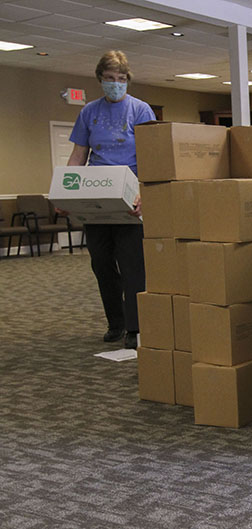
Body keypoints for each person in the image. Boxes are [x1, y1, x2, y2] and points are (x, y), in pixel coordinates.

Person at [64, 50, 155, 350]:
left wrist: (146, 192)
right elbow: (79, 156)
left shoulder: (141, 111)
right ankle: (115, 322)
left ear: (127, 80)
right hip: (97, 196)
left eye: (120, 79)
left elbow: (152, 158)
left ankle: (135, 326)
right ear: (100, 80)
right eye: (109, 79)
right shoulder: (88, 112)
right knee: (101, 262)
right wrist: (66, 191)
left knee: (132, 266)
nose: (115, 84)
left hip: (130, 196)